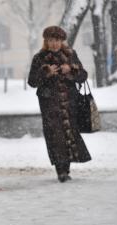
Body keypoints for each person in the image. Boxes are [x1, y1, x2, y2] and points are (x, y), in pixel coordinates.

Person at [28, 26, 91, 182]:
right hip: (50, 104)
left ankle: (66, 167)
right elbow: (32, 81)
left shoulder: (70, 54)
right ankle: (61, 170)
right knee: (55, 136)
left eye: (57, 40)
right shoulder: (39, 58)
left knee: (69, 133)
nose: (54, 44)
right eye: (50, 40)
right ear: (46, 41)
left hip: (70, 103)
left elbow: (83, 75)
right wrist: (46, 73)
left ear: (62, 41)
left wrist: (70, 69)